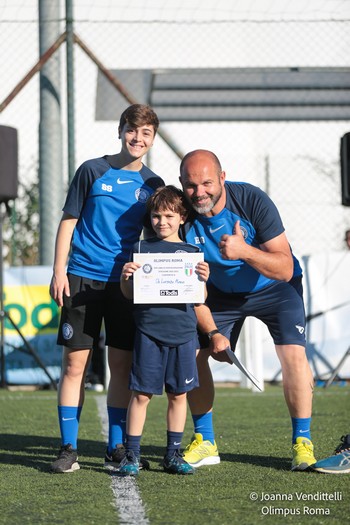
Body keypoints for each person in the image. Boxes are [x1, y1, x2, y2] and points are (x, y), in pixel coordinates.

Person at [178, 149, 316, 471]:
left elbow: (283, 268)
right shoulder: (182, 215)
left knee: (293, 355)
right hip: (222, 296)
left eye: (207, 183)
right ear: (181, 184)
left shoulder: (252, 200)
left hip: (275, 288)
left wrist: (244, 251)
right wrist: (212, 333)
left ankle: (303, 443)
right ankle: (206, 441)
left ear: (223, 178)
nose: (199, 193)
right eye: (190, 185)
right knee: (191, 353)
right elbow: (188, 287)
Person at [49, 104, 164, 473]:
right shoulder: (92, 171)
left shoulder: (153, 185)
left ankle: (116, 448)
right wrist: (59, 271)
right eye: (132, 130)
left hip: (127, 284)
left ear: (153, 139)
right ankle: (68, 448)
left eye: (146, 133)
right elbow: (69, 221)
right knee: (74, 366)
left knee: (121, 366)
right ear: (120, 130)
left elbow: (159, 236)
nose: (138, 138)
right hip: (82, 276)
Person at [117, 185, 210, 476]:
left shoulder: (192, 252)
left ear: (182, 217)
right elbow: (130, 294)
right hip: (148, 331)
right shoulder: (141, 250)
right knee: (142, 395)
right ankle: (131, 454)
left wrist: (203, 279)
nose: (162, 222)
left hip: (183, 333)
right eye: (156, 216)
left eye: (169, 215)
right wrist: (125, 278)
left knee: (178, 395)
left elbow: (199, 299)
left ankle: (172, 454)